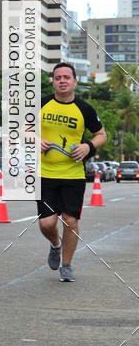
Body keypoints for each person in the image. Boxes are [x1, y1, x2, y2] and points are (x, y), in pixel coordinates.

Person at [38, 62, 107, 282]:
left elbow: (101, 134)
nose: (62, 81)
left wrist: (88, 146)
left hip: (73, 175)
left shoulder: (85, 109)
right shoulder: (41, 104)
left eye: (67, 77)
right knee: (47, 223)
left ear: (74, 81)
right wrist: (35, 139)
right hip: (45, 174)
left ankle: (66, 265)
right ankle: (55, 245)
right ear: (53, 81)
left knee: (70, 220)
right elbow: (22, 128)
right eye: (58, 77)